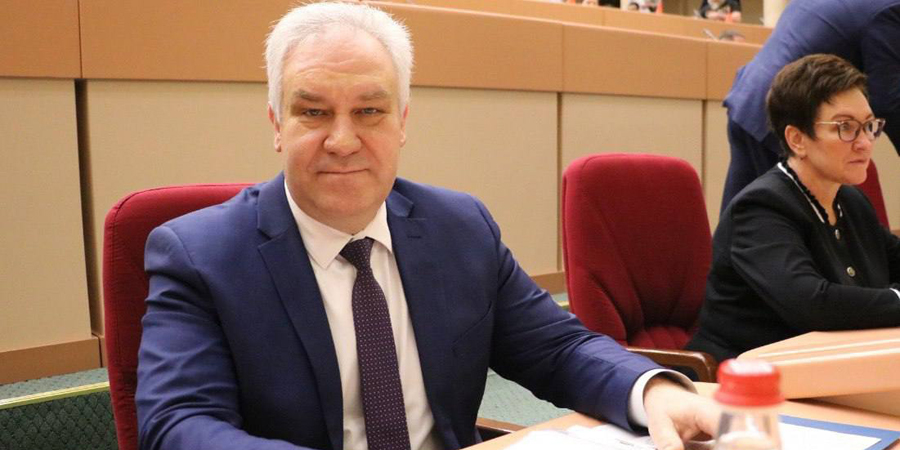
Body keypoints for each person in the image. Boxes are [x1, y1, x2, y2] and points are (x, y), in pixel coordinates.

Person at [135, 3, 717, 450]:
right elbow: (178, 425)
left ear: (403, 121)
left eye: (369, 111)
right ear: (276, 123)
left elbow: (558, 349)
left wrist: (654, 391)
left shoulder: (460, 228)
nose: (342, 140)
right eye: (313, 112)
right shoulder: (200, 256)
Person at [687, 54, 900, 363]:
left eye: (869, 126)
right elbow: (813, 304)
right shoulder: (761, 208)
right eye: (845, 127)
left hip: (828, 365)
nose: (865, 142)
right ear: (797, 139)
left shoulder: (852, 201)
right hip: (745, 375)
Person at [720, 0, 900, 211]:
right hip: (788, 114)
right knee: (790, 217)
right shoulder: (890, 10)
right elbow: (888, 100)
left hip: (749, 96)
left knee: (740, 210)